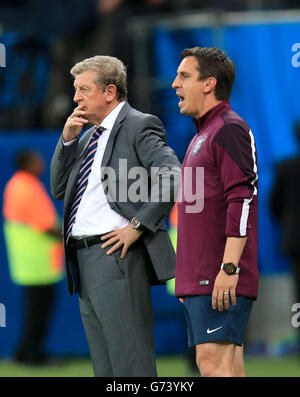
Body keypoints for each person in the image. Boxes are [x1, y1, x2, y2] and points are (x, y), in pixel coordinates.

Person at [50, 55, 180, 377]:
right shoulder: (85, 138)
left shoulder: (138, 124)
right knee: (105, 368)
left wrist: (137, 225)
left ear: (110, 91)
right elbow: (59, 188)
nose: (76, 97)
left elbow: (173, 175)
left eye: (84, 89)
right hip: (83, 262)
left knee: (131, 366)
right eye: (75, 89)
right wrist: (66, 140)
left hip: (115, 257)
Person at [172, 47, 259, 377]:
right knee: (226, 368)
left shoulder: (228, 128)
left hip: (219, 275)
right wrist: (189, 279)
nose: (174, 84)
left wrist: (229, 267)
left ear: (209, 84)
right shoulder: (202, 134)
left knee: (213, 367)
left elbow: (243, 197)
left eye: (184, 76)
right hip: (203, 277)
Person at [3, 150, 64, 365]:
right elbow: (47, 225)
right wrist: (71, 238)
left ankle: (24, 352)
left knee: (34, 310)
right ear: (27, 163)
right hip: (39, 263)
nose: (42, 163)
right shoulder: (27, 188)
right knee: (39, 312)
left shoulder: (16, 185)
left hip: (32, 263)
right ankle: (33, 355)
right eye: (37, 159)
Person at [269, 121, 300, 355]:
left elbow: (273, 204)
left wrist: (289, 226)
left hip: (294, 242)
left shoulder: (286, 167)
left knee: (298, 292)